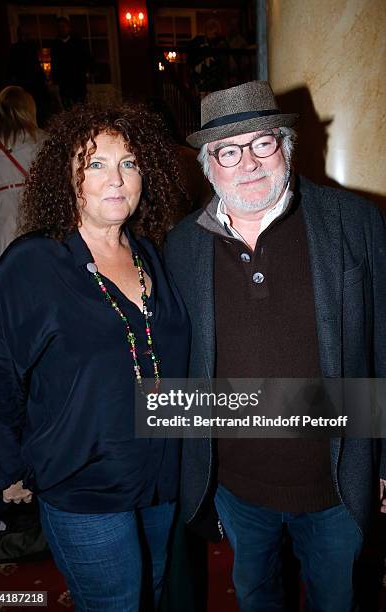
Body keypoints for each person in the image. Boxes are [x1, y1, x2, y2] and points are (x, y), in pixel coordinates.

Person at [164, 80, 386, 611]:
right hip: (237, 490)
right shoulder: (182, 246)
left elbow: (383, 341)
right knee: (256, 597)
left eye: (262, 142)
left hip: (335, 482)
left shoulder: (353, 221)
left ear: (285, 146)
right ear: (208, 165)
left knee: (339, 600)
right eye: (228, 151)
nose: (248, 162)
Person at [0, 103, 189, 611]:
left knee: (154, 592)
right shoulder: (32, 263)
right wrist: (7, 467)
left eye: (130, 163)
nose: (116, 178)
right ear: (66, 176)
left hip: (159, 474)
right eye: (95, 163)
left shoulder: (152, 254)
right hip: (84, 484)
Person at [0, 86, 46, 286]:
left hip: (1, 214)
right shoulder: (42, 140)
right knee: (35, 270)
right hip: (32, 208)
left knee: (1, 274)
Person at [51, 17, 92, 110]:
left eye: (63, 26)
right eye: (59, 27)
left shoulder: (78, 42)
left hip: (78, 81)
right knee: (67, 108)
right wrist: (55, 80)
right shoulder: (56, 44)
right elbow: (54, 63)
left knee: (81, 107)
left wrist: (87, 71)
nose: (61, 29)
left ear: (68, 28)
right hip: (64, 83)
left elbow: (87, 57)